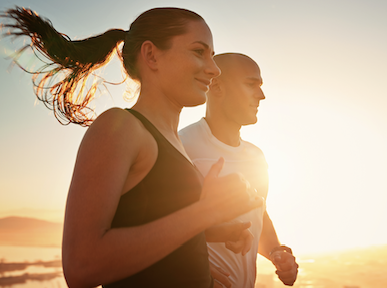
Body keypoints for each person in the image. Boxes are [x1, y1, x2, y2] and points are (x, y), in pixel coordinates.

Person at [2, 7, 263, 288]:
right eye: (199, 52)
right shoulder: (120, 127)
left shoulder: (173, 141)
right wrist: (205, 212)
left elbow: (146, 221)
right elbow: (81, 265)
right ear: (151, 55)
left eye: (212, 55)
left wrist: (213, 231)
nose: (214, 69)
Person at [179, 53, 299, 288]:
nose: (261, 95)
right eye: (251, 84)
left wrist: (276, 251)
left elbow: (258, 215)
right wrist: (194, 268)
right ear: (217, 86)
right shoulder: (181, 146)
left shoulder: (256, 157)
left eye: (260, 86)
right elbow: (160, 228)